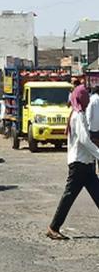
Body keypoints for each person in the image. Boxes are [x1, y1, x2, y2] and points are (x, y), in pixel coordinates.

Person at [47, 85, 99, 240]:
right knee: (68, 196)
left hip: (85, 163)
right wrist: (98, 153)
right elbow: (84, 140)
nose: (88, 99)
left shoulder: (78, 113)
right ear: (81, 98)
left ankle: (54, 226)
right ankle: (53, 227)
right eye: (86, 97)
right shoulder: (78, 115)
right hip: (79, 164)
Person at [86, 85, 99, 169]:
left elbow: (88, 115)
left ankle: (92, 171)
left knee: (93, 152)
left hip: (93, 130)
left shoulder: (91, 100)